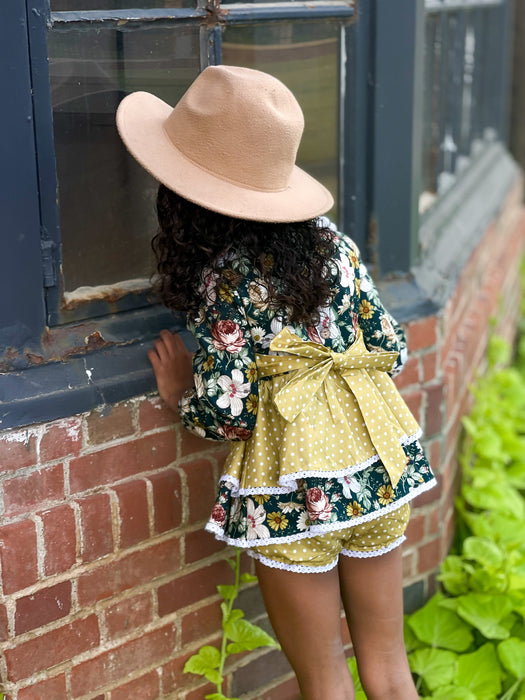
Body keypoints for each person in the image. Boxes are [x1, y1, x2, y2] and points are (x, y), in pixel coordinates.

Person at [116, 65, 437, 700]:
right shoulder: (334, 247)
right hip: (380, 467)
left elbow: (230, 415)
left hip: (296, 490)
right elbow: (390, 347)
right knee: (390, 669)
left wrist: (183, 395)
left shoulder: (227, 280)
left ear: (188, 197)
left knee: (324, 682)